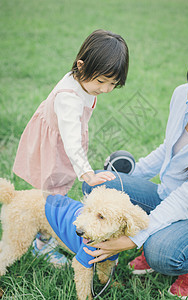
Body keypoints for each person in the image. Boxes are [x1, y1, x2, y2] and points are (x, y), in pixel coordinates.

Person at [82, 49, 188, 299]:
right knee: (99, 186)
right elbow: (168, 149)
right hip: (165, 194)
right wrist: (132, 177)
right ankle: (156, 234)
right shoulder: (181, 95)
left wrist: (135, 239)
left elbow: (186, 200)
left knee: (161, 251)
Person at [13, 29, 129, 266]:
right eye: (101, 81)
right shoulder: (69, 98)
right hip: (57, 146)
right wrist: (87, 173)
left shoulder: (82, 80)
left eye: (112, 83)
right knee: (54, 193)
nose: (106, 89)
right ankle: (42, 242)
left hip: (63, 143)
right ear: (81, 66)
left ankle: (48, 233)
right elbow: (71, 140)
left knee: (57, 191)